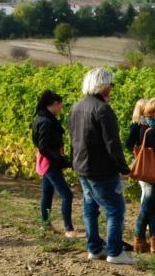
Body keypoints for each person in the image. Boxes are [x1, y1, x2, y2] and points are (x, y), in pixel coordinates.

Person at [70, 67, 137, 265]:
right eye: (111, 84)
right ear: (102, 86)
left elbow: (73, 138)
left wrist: (74, 162)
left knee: (90, 208)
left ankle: (95, 248)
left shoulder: (76, 106)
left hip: (82, 166)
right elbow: (112, 143)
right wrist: (124, 168)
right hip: (101, 169)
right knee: (115, 209)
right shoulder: (102, 109)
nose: (112, 89)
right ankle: (115, 252)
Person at [31, 90, 76, 238]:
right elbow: (43, 146)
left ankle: (45, 224)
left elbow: (38, 143)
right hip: (50, 163)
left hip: (47, 161)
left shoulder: (41, 118)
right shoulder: (46, 121)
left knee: (47, 192)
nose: (61, 109)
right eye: (60, 106)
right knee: (67, 195)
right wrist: (58, 159)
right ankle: (69, 229)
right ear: (54, 104)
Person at [130, 98, 155, 254]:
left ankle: (154, 239)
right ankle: (139, 238)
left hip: (151, 172)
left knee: (154, 208)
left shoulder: (147, 127)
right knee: (147, 207)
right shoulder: (152, 131)